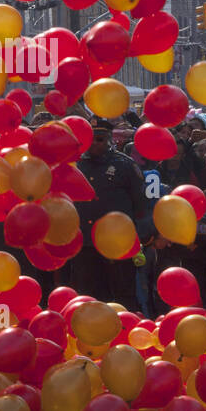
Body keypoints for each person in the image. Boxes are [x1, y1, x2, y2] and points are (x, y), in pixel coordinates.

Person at [69, 121, 148, 309]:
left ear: (110, 140)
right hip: (85, 242)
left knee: (123, 292)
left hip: (117, 243)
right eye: (92, 140)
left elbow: (140, 204)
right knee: (87, 293)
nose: (96, 144)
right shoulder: (75, 163)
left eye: (101, 139)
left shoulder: (125, 164)